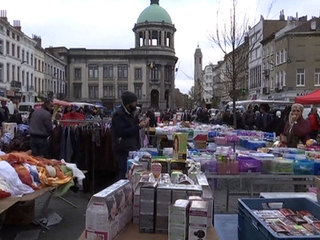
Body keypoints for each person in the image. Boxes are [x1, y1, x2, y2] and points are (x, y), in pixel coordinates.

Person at [111, 91, 149, 179]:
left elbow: (133, 126)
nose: (136, 104)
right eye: (134, 102)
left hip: (131, 148)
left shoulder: (130, 112)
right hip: (122, 149)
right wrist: (139, 126)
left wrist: (140, 122)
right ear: (129, 103)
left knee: (131, 173)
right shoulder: (118, 115)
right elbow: (122, 132)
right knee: (123, 173)